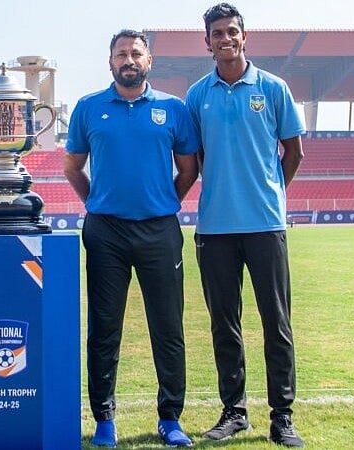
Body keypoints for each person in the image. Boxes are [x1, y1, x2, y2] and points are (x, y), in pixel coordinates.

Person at [64, 29, 200, 448]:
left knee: (168, 327)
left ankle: (170, 417)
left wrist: (163, 203)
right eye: (121, 53)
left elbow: (188, 170)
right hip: (106, 231)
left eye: (136, 53)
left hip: (159, 229)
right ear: (110, 62)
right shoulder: (88, 108)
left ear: (148, 61)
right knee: (104, 328)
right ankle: (104, 418)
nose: (128, 59)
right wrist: (96, 204)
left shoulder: (173, 109)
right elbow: (73, 167)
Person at [185, 3, 306, 448]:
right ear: (208, 41)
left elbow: (292, 152)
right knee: (225, 325)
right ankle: (234, 412)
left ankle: (282, 416)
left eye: (232, 31)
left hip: (265, 225)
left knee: (276, 322)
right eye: (217, 32)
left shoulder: (273, 88)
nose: (225, 38)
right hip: (215, 228)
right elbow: (193, 160)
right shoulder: (197, 96)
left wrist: (271, 191)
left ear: (244, 36)